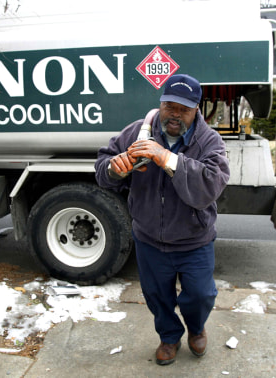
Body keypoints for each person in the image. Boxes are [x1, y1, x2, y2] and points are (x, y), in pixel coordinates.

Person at [95, 74, 230, 365]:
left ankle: (196, 328)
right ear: (161, 103)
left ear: (197, 109)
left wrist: (165, 157)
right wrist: (115, 170)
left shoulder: (209, 141)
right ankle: (169, 336)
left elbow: (209, 186)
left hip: (194, 240)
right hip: (149, 239)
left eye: (183, 109)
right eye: (169, 106)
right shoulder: (136, 133)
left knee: (200, 295)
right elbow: (102, 167)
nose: (174, 114)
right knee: (157, 296)